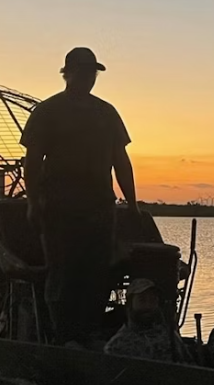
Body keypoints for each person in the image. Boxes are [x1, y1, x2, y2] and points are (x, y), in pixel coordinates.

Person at [21, 47, 139, 346]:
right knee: (62, 273)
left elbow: (120, 160)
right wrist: (34, 202)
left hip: (99, 207)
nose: (88, 78)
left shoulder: (106, 112)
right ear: (67, 73)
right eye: (82, 72)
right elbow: (32, 160)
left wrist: (133, 203)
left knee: (97, 275)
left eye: (92, 73)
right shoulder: (48, 111)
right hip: (59, 208)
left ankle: (89, 336)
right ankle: (62, 339)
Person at [104, 278, 194, 363]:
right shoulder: (116, 346)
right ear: (130, 305)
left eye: (152, 300)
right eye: (142, 300)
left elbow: (191, 368)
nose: (148, 306)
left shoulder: (171, 337)